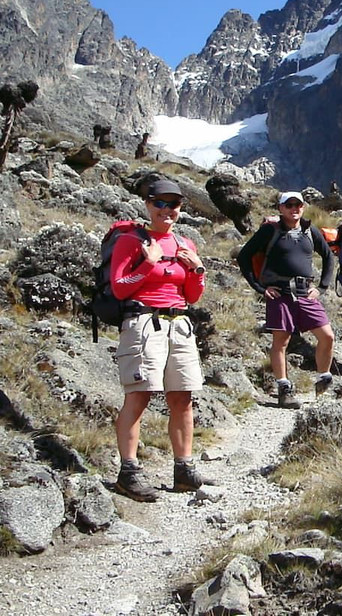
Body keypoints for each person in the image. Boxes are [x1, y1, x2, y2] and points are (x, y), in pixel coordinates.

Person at [109, 179, 212, 501]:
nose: (167, 210)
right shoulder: (130, 241)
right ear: (148, 204)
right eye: (160, 203)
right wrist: (149, 263)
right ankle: (128, 472)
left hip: (179, 323)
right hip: (143, 323)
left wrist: (196, 271)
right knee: (139, 396)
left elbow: (192, 296)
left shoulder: (186, 244)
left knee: (183, 398)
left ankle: (183, 468)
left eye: (174, 205)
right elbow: (120, 287)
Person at [236, 191, 337, 407]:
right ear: (280, 208)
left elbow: (328, 257)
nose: (294, 209)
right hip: (279, 292)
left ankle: (323, 378)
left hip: (305, 291)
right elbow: (244, 256)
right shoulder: (269, 231)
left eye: (298, 205)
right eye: (289, 205)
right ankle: (284, 388)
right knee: (281, 341)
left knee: (327, 336)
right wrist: (259, 287)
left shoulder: (311, 231)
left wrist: (322, 287)